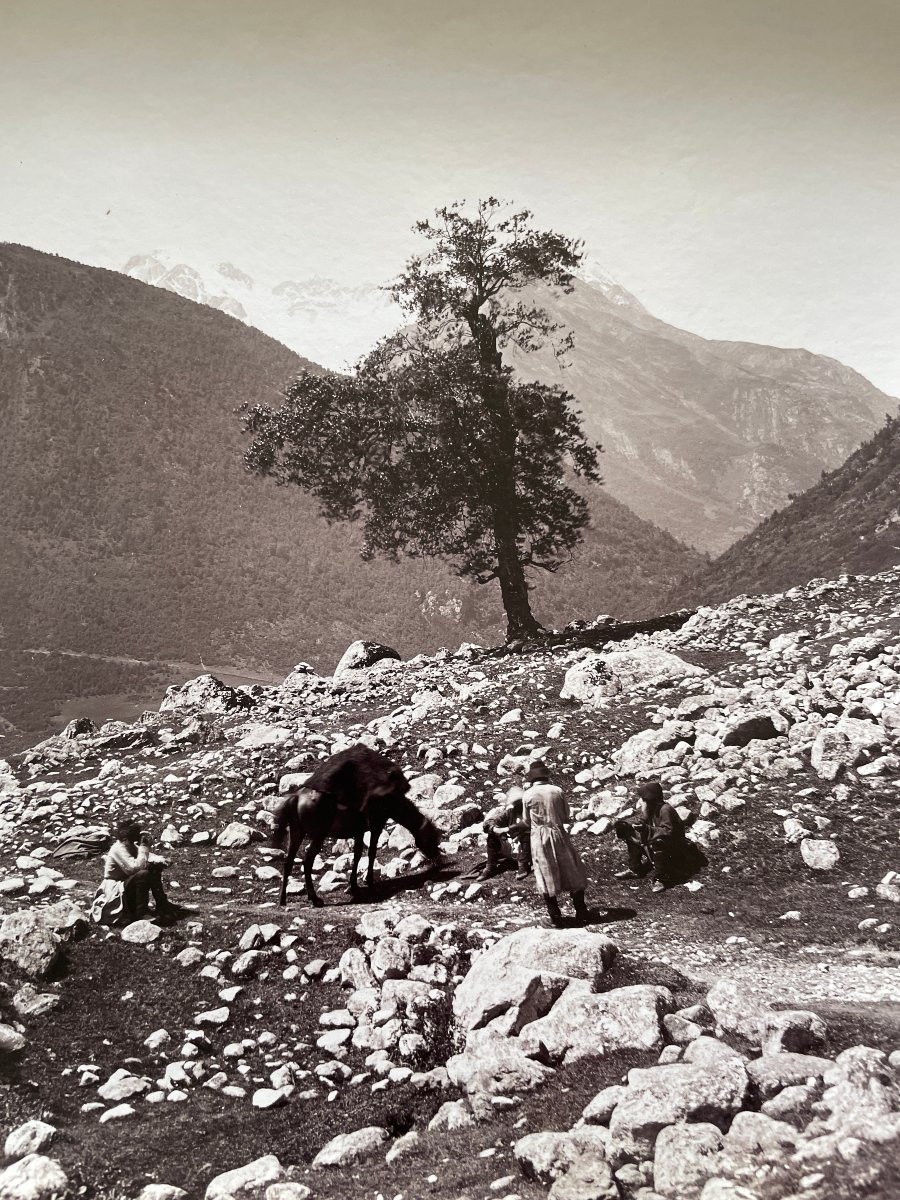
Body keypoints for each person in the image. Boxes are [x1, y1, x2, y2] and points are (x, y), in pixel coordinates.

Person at [524, 760, 590, 926]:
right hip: (558, 832)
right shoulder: (557, 791)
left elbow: (526, 821)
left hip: (539, 836)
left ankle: (555, 917)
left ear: (531, 778)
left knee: (545, 872)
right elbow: (566, 815)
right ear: (546, 775)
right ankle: (581, 912)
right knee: (571, 868)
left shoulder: (528, 794)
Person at [90, 819, 182, 925]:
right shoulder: (118, 849)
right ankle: (141, 913)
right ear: (125, 839)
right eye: (133, 838)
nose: (136, 841)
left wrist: (160, 860)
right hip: (115, 888)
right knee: (143, 874)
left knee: (154, 868)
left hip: (125, 884)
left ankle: (162, 904)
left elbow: (143, 857)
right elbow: (135, 867)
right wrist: (143, 847)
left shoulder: (129, 845)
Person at [614, 780, 690, 893]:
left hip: (675, 852)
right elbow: (641, 819)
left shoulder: (665, 810)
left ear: (649, 800)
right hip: (664, 850)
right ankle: (635, 869)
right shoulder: (651, 809)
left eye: (643, 799)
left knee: (658, 841)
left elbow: (668, 832)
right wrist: (625, 825)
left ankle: (661, 879)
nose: (641, 801)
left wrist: (647, 830)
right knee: (630, 833)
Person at [479, 785, 532, 881]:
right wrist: (495, 829)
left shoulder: (530, 812)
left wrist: (508, 829)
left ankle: (523, 865)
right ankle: (491, 867)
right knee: (492, 836)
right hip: (512, 847)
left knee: (526, 836)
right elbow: (489, 822)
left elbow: (527, 825)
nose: (518, 805)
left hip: (528, 849)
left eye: (520, 802)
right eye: (516, 802)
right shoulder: (510, 812)